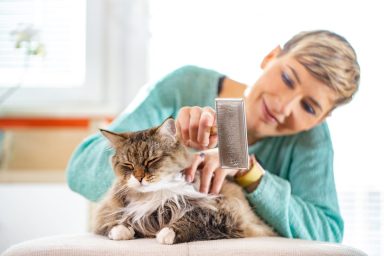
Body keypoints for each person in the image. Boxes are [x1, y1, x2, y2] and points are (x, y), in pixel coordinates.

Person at [66, 30, 360, 243]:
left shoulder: (311, 138)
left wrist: (249, 171)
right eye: (287, 78)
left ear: (322, 118)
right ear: (270, 57)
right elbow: (80, 170)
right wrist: (171, 152)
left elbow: (328, 234)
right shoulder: (184, 86)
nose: (284, 106)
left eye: (309, 107)